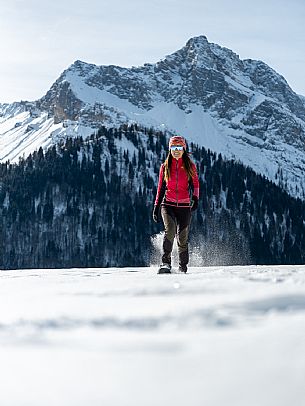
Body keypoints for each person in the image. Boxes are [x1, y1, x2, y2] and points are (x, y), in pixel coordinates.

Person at [153, 135, 199, 274]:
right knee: (170, 231)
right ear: (170, 149)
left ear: (184, 149)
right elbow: (160, 188)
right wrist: (156, 207)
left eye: (179, 147)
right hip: (168, 204)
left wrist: (195, 198)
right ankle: (165, 263)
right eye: (173, 147)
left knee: (183, 238)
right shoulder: (165, 166)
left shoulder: (190, 166)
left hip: (184, 206)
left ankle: (182, 266)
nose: (176, 150)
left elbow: (195, 184)